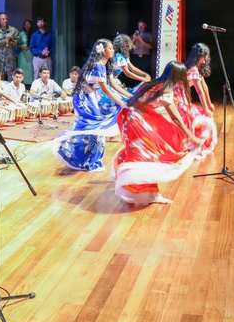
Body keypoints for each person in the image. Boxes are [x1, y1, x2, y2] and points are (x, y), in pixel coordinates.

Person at [111, 62, 203, 205]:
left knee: (146, 155)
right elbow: (175, 117)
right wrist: (191, 136)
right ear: (178, 76)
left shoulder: (154, 83)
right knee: (148, 155)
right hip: (133, 119)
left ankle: (146, 192)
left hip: (127, 117)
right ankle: (141, 189)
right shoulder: (165, 90)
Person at [52, 39, 127, 172]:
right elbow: (105, 89)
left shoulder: (102, 65)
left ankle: (90, 160)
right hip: (83, 100)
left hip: (89, 97)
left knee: (95, 130)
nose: (113, 50)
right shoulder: (98, 66)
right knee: (94, 129)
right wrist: (121, 102)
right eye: (111, 48)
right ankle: (79, 156)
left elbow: (109, 86)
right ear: (103, 51)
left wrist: (126, 98)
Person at [180, 43, 218, 156]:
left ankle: (190, 142)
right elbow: (199, 91)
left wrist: (209, 103)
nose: (206, 58)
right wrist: (206, 108)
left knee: (195, 118)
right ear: (199, 56)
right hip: (178, 98)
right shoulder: (192, 70)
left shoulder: (196, 69)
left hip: (182, 97)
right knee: (195, 118)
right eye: (204, 56)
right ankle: (191, 143)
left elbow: (204, 87)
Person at [0, 13, 18, 82]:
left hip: (10, 57)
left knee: (12, 76)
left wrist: (10, 40)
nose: (5, 21)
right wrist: (4, 41)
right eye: (3, 19)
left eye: (6, 19)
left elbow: (17, 43)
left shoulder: (13, 30)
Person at [17, 18, 34, 85]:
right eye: (25, 24)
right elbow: (16, 45)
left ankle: (30, 85)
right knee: (22, 69)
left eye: (28, 24)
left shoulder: (33, 34)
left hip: (31, 54)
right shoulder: (21, 34)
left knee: (30, 70)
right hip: (22, 55)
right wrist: (22, 47)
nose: (27, 26)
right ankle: (22, 85)